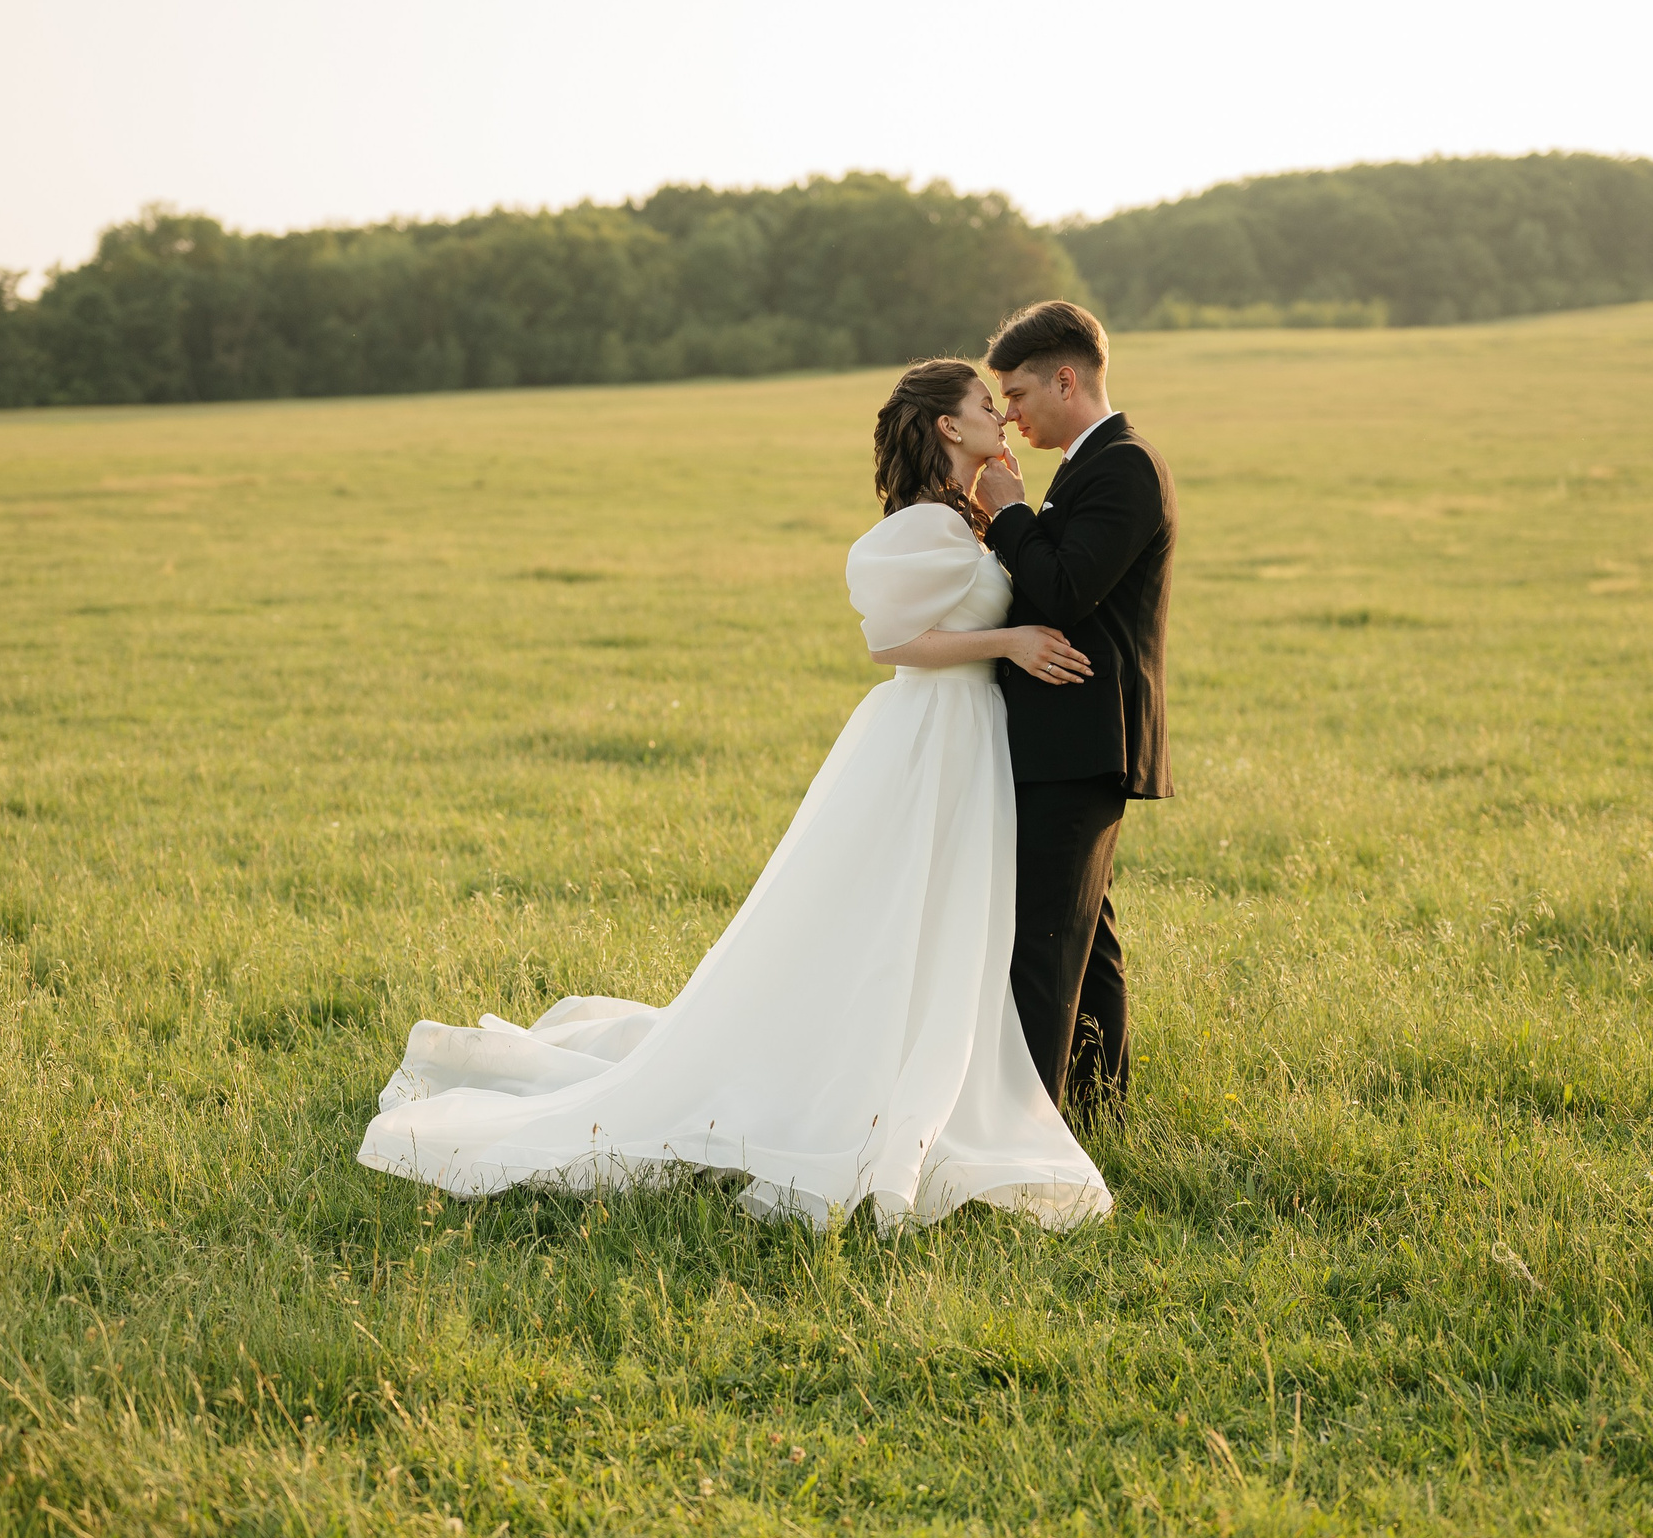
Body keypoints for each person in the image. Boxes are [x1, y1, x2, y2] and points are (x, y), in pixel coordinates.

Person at [356, 359, 1113, 1232]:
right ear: (947, 426)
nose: (1002, 414)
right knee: (899, 916)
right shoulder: (918, 528)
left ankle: (929, 1067)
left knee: (945, 921)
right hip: (931, 740)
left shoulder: (967, 517)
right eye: (987, 404)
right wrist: (1013, 638)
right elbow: (894, 643)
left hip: (970, 739)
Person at [976, 302, 1177, 1129]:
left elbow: (1061, 589)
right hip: (1067, 741)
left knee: (1046, 944)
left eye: (1019, 394)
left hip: (1080, 741)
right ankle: (1098, 1115)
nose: (1011, 414)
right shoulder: (1090, 465)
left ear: (1067, 378)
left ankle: (1028, 1131)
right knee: (1086, 940)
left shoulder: (1124, 465)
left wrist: (1009, 513)